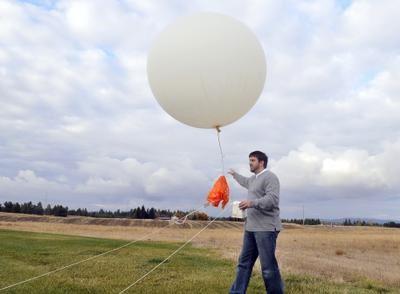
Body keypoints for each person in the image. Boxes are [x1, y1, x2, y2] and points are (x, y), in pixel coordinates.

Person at [228, 150, 284, 294]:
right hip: (250, 228)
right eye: (249, 160)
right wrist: (234, 175)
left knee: (268, 268)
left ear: (261, 162)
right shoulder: (253, 179)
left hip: (266, 229)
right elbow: (244, 181)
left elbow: (272, 200)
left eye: (252, 160)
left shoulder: (270, 177)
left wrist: (252, 203)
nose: (250, 163)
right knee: (243, 264)